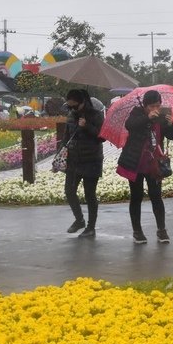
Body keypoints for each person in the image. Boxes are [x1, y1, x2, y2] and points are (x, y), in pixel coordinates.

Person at [116, 90, 173, 244]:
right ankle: (137, 231)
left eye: (158, 105)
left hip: (154, 164)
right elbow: (130, 125)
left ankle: (162, 230)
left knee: (156, 196)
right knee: (136, 196)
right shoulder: (137, 113)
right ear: (145, 106)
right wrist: (147, 118)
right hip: (136, 162)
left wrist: (171, 125)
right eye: (152, 106)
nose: (155, 109)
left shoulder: (162, 117)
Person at [62, 88, 105, 238]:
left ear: (83, 102)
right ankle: (79, 219)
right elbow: (66, 137)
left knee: (89, 194)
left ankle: (91, 227)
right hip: (73, 159)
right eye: (69, 106)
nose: (72, 109)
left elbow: (102, 137)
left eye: (75, 106)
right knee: (69, 191)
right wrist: (60, 156)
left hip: (91, 159)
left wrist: (87, 126)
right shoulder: (71, 116)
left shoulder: (96, 115)